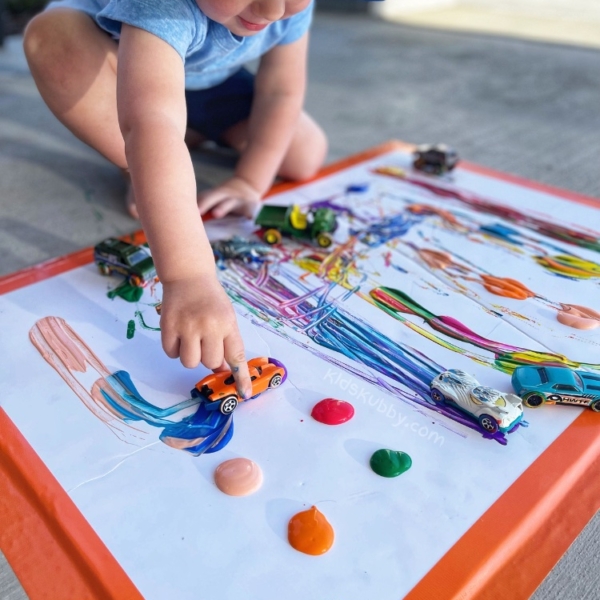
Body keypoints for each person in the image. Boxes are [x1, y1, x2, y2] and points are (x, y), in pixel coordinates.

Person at [23, 0, 328, 398]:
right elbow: (152, 121)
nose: (272, 9)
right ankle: (138, 165)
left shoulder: (278, 8)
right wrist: (189, 277)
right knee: (55, 39)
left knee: (304, 153)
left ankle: (182, 145)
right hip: (113, 69)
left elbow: (281, 90)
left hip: (205, 81)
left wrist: (249, 181)